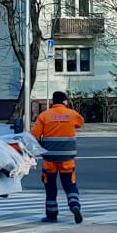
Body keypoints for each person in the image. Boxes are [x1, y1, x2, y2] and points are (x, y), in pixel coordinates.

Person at [31, 91, 85, 223]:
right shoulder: (72, 114)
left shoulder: (44, 116)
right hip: (67, 159)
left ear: (53, 101)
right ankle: (74, 206)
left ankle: (51, 215)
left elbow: (35, 136)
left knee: (50, 187)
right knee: (70, 185)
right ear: (64, 101)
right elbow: (80, 123)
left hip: (50, 159)